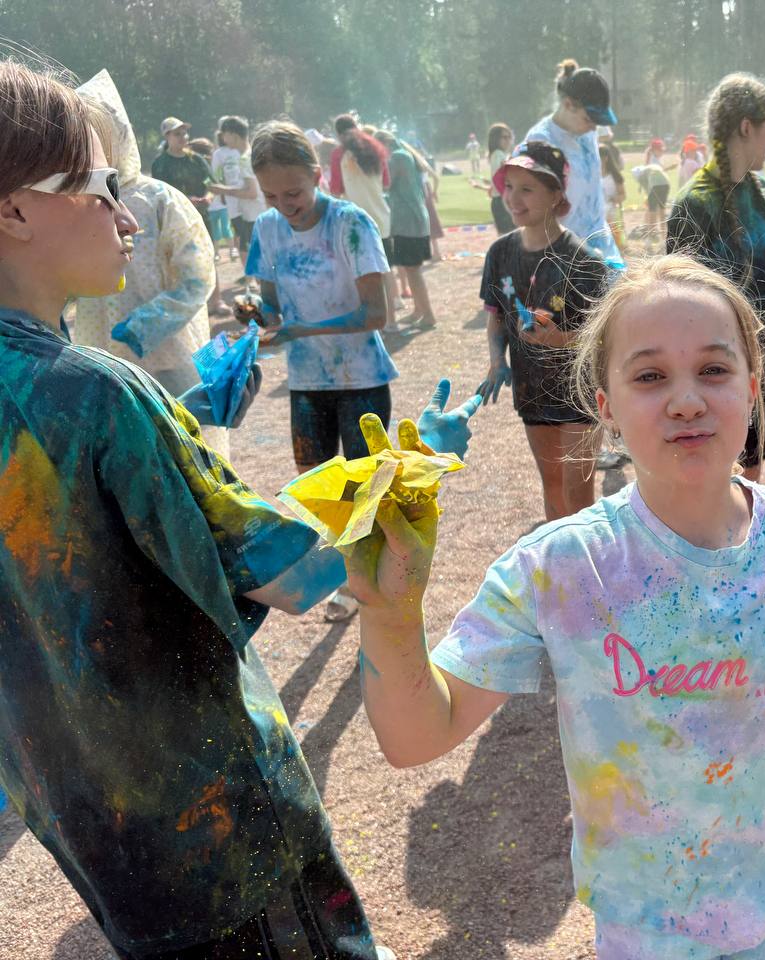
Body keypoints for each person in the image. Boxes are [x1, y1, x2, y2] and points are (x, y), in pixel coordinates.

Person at [346, 253, 765, 960]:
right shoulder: (562, 568)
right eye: (650, 376)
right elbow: (416, 738)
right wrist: (392, 613)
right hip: (647, 939)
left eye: (713, 369)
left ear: (752, 386)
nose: (686, 399)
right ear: (606, 405)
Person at [0, 58, 422, 960]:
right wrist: (390, 480)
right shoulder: (99, 395)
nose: (122, 210)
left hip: (74, 808)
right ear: (13, 209)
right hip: (214, 822)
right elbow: (287, 572)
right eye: (91, 182)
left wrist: (179, 441)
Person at [244, 121, 398, 621]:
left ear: (317, 174)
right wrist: (254, 317)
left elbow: (378, 314)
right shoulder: (266, 228)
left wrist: (298, 331)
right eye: (271, 195)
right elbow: (270, 308)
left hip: (361, 378)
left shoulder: (350, 223)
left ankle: (362, 582)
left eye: (294, 192)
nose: (284, 204)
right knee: (318, 487)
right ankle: (347, 573)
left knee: (364, 487)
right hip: (307, 381)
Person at [666, 73, 765, 483]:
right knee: (715, 482)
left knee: (750, 481)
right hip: (709, 374)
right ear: (745, 128)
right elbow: (693, 314)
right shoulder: (694, 204)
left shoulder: (756, 188)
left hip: (754, 362)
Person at [72, 70, 229, 458]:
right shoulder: (72, 200)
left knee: (188, 455)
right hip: (105, 359)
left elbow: (198, 277)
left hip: (170, 356)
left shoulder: (161, 199)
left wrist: (145, 325)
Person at [476, 140, 610, 521]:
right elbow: (497, 316)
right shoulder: (499, 253)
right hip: (531, 386)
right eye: (509, 187)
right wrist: (496, 361)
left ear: (555, 195)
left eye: (527, 189)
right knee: (551, 484)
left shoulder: (584, 261)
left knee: (577, 488)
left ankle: (587, 571)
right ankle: (558, 569)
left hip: (579, 392)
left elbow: (605, 338)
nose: (513, 198)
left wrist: (557, 340)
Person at [525, 59, 622, 262]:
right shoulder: (541, 142)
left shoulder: (585, 131)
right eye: (589, 119)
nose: (594, 128)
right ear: (568, 104)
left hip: (601, 247)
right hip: (563, 256)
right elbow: (535, 211)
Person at [151, 115, 229, 317]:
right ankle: (191, 307)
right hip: (176, 221)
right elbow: (159, 195)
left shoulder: (197, 159)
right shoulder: (161, 164)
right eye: (177, 133)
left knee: (208, 256)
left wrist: (209, 198)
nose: (183, 136)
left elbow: (210, 186)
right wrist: (186, 200)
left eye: (184, 132)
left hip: (201, 218)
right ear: (167, 136)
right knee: (181, 262)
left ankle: (216, 301)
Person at [328, 114, 398, 315]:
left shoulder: (339, 155)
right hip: (382, 216)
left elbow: (335, 190)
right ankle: (391, 318)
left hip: (356, 221)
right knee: (385, 269)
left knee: (360, 272)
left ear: (338, 134)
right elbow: (386, 183)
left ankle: (371, 316)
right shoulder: (376, 149)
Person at [374, 129, 437, 329]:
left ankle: (428, 315)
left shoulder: (398, 157)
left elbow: (386, 183)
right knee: (411, 270)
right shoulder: (402, 155)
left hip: (409, 220)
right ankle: (419, 310)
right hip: (408, 220)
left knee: (413, 270)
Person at [208, 115, 267, 280]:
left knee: (262, 259)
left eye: (224, 134)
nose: (223, 138)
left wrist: (223, 190)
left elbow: (252, 193)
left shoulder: (244, 159)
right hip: (255, 213)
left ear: (233, 135)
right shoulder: (249, 154)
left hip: (255, 215)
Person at [197, 134, 236, 262]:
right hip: (211, 206)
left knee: (226, 229)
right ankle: (216, 253)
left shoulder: (217, 165)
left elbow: (221, 181)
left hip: (222, 204)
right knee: (215, 231)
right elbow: (207, 184)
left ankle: (232, 250)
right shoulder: (202, 170)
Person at [631, 138, 674, 252]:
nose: (662, 151)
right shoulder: (653, 161)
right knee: (660, 213)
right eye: (660, 149)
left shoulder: (652, 161)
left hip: (656, 186)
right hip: (665, 185)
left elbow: (650, 179)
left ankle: (650, 241)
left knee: (653, 214)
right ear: (654, 150)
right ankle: (662, 241)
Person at [474, 122, 516, 235]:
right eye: (504, 137)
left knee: (508, 238)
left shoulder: (499, 154)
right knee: (510, 238)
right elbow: (499, 180)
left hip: (500, 201)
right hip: (502, 202)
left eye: (509, 137)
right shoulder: (498, 154)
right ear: (496, 139)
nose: (508, 140)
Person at [599, 143, 627, 254]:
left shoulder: (614, 175)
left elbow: (623, 195)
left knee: (617, 240)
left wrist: (614, 198)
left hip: (612, 212)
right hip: (598, 213)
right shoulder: (592, 175)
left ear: (605, 158)